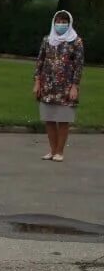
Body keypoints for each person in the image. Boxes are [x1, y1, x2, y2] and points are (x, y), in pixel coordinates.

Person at [34, 10, 84, 163]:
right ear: (53, 23)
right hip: (48, 85)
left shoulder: (76, 42)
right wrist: (37, 82)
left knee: (63, 119)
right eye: (58, 21)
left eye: (64, 22)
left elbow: (79, 65)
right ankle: (52, 150)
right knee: (49, 119)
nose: (61, 24)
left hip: (66, 87)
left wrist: (74, 86)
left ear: (69, 23)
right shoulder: (47, 40)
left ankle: (60, 151)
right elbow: (40, 61)